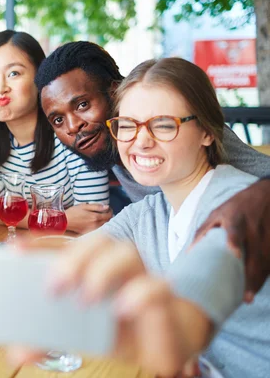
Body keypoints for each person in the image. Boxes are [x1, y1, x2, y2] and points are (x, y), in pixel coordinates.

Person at [15, 58, 270, 377]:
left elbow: (215, 263)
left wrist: (186, 313)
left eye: (163, 124)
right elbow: (75, 258)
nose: (141, 140)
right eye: (127, 125)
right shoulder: (151, 212)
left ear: (206, 131)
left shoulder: (238, 200)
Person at [35, 41, 270, 298]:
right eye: (58, 120)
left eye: (82, 105)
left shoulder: (197, 148)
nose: (72, 126)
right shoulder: (129, 167)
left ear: (114, 93)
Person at [0, 30, 110, 233]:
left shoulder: (72, 134)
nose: (0, 88)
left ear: (40, 79)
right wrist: (61, 219)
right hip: (22, 254)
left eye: (13, 74)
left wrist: (20, 217)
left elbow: (94, 220)